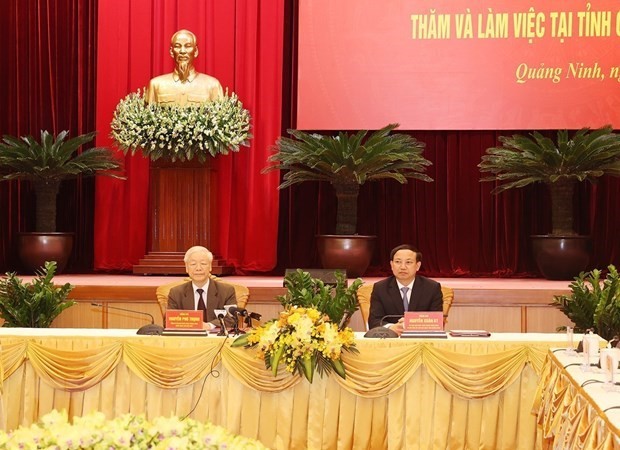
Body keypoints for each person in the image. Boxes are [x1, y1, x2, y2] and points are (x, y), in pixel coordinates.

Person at [368, 244, 443, 335]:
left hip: (421, 341)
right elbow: (374, 321)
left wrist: (411, 324)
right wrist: (391, 327)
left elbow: (436, 321)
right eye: (398, 262)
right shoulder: (380, 288)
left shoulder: (432, 288)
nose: (403, 267)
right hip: (390, 342)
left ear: (417, 266)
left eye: (408, 262)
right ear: (392, 265)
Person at [146, 29, 224, 106]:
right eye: (177, 46)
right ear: (171, 52)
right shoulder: (156, 85)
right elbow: (148, 115)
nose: (182, 51)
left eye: (188, 46)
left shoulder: (212, 85)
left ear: (196, 51)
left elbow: (220, 115)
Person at [167, 245, 236, 330]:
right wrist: (193, 324)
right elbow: (169, 320)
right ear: (186, 268)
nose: (198, 268)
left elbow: (232, 319)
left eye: (203, 264)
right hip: (188, 340)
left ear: (210, 266)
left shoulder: (227, 291)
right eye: (193, 264)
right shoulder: (176, 293)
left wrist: (209, 326)